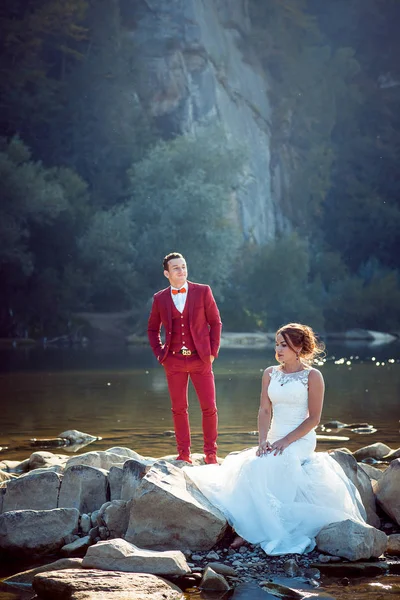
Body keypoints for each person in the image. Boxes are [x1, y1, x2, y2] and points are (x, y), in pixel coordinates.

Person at [184, 323, 366, 555]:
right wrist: (263, 441)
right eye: (277, 344)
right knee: (252, 465)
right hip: (273, 436)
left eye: (284, 345)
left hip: (300, 438)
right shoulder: (270, 373)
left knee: (281, 461)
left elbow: (314, 419)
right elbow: (264, 410)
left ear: (298, 348)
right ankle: (247, 528)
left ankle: (256, 532)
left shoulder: (313, 376)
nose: (278, 350)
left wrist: (287, 441)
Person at [147, 252, 222, 465]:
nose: (182, 270)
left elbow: (215, 323)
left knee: (209, 407)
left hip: (201, 359)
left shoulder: (203, 291)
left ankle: (210, 454)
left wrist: (212, 352)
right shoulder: (160, 298)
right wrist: (160, 354)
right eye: (176, 268)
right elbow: (153, 329)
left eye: (183, 266)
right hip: (173, 361)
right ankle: (184, 454)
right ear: (167, 273)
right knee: (179, 409)